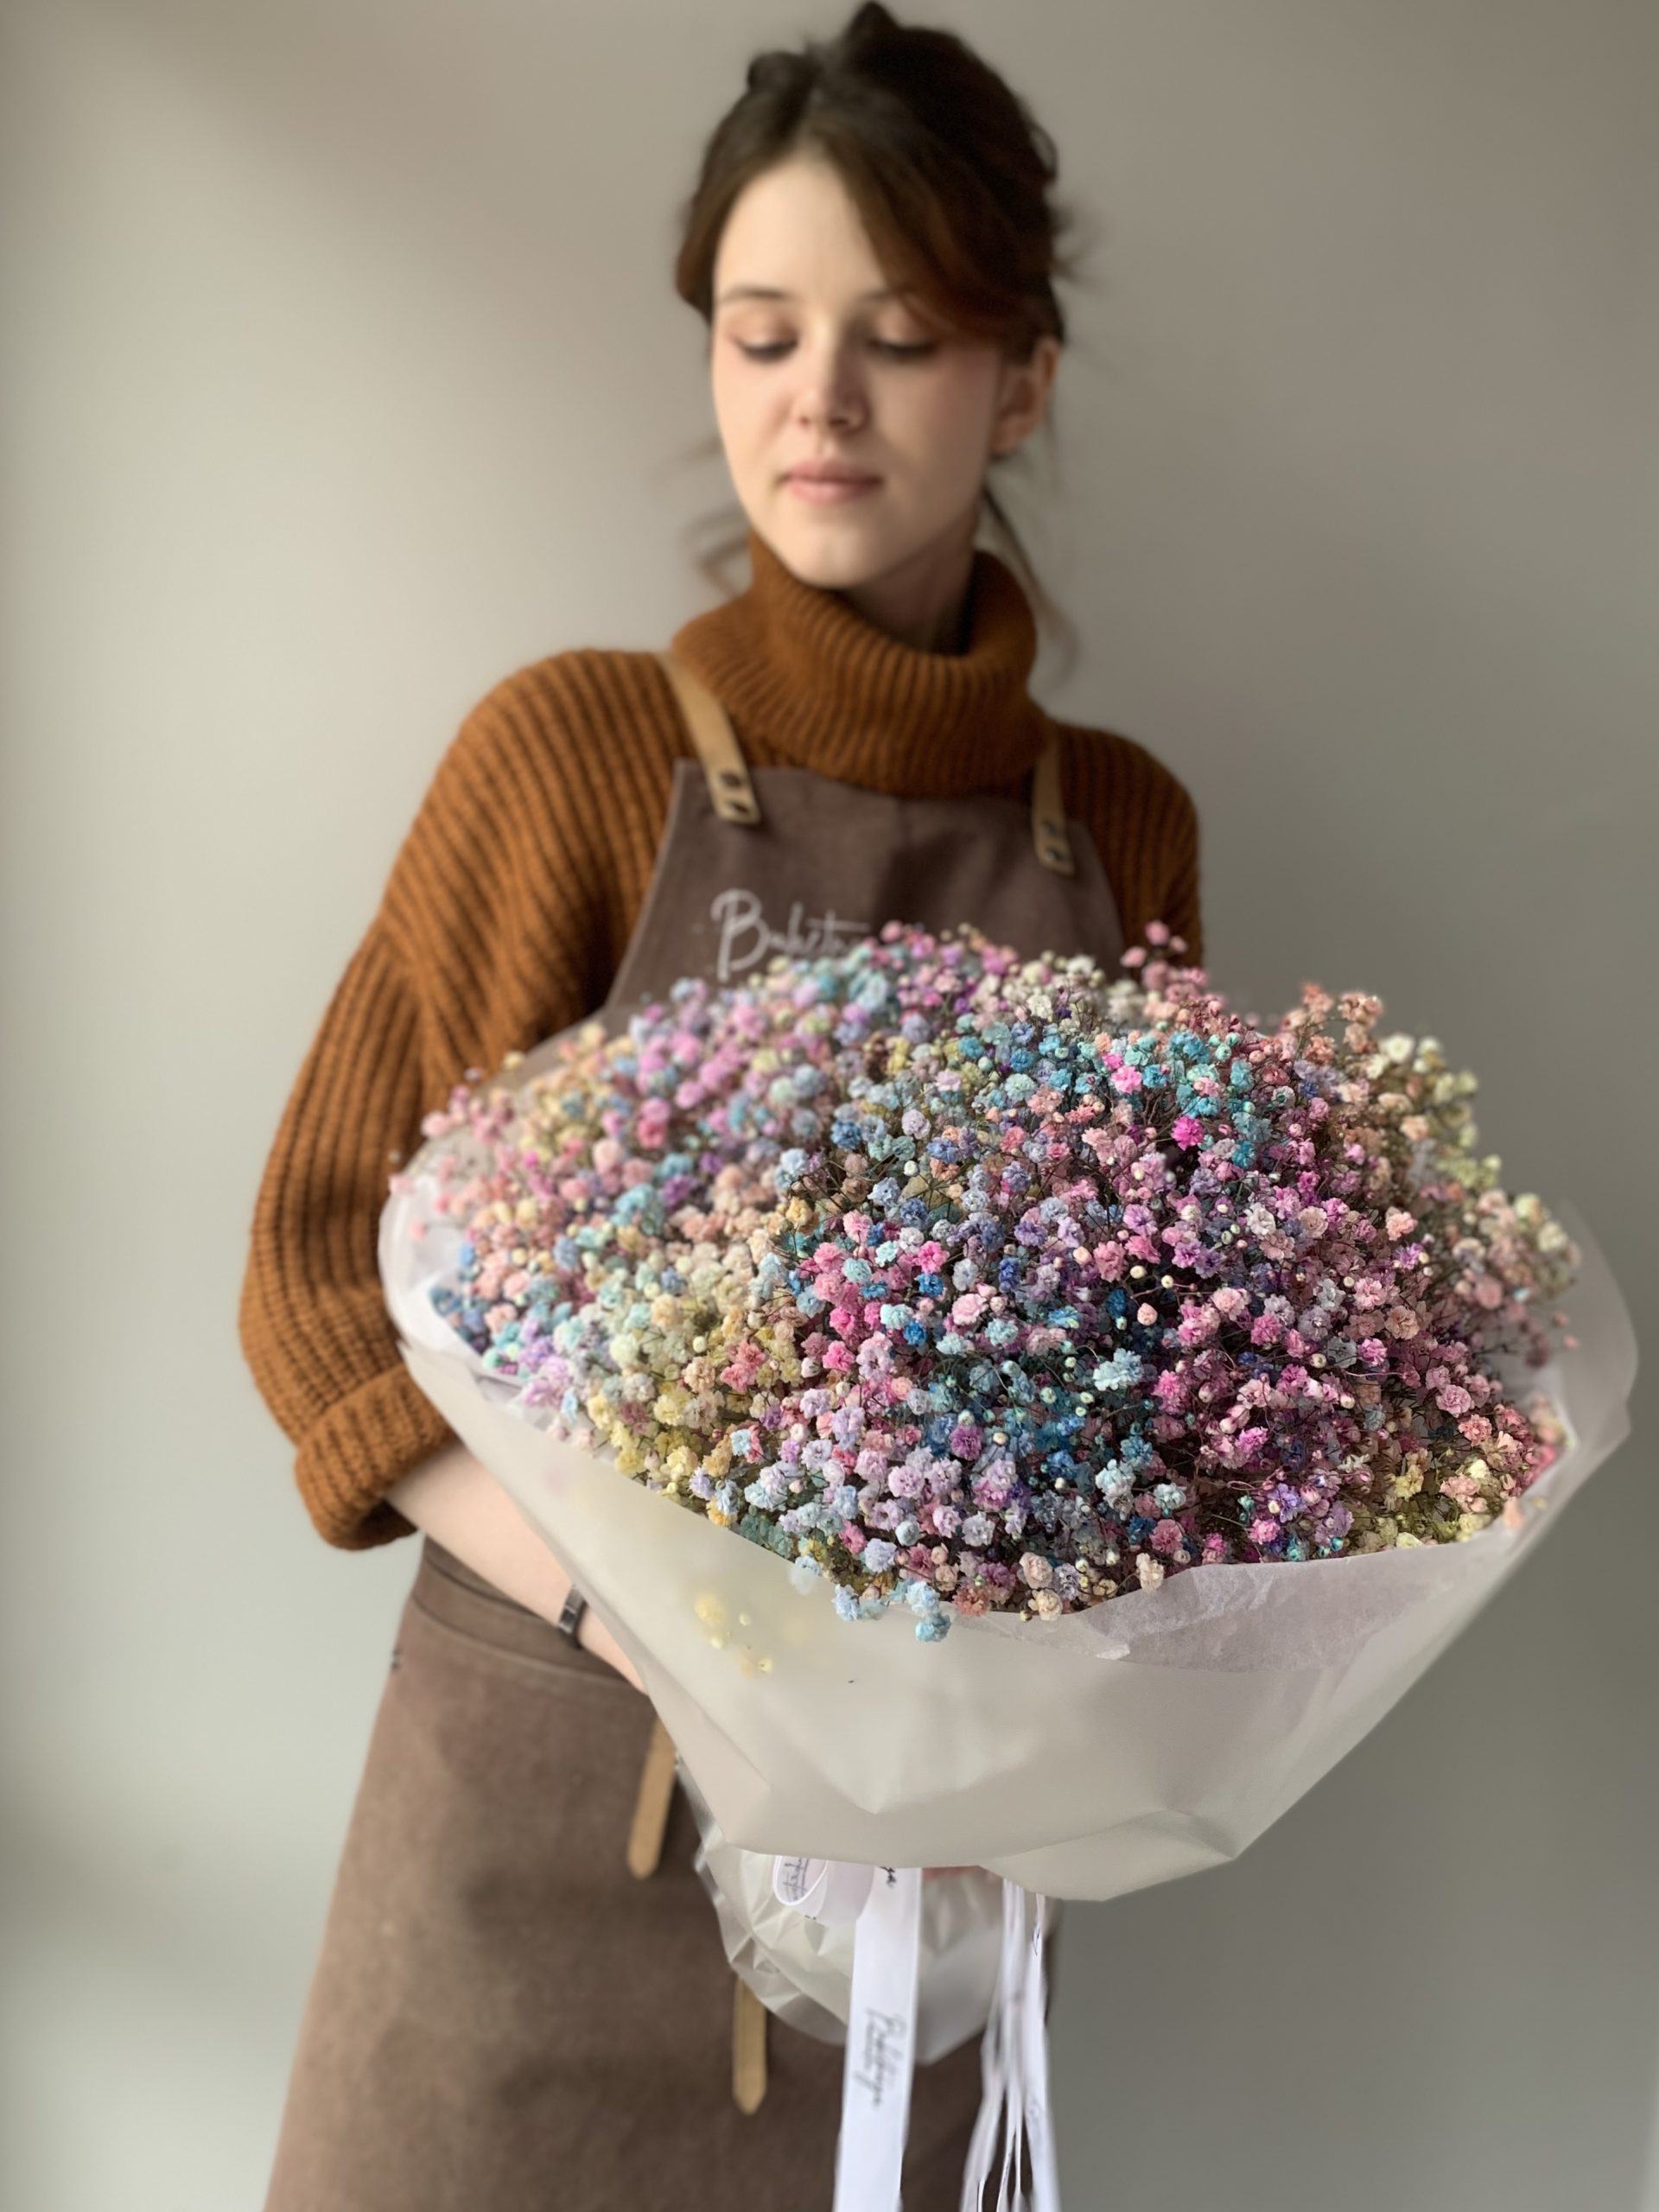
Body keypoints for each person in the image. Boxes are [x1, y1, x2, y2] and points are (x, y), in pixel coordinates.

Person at [238, 5, 1205, 2206]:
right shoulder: (572, 759)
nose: (818, 397)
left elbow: (1162, 1382)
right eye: (763, 333)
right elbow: (318, 1279)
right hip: (529, 1842)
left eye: (901, 335)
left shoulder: (1119, 833)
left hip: (907, 1912)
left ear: (1021, 379)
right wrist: (661, 1627)